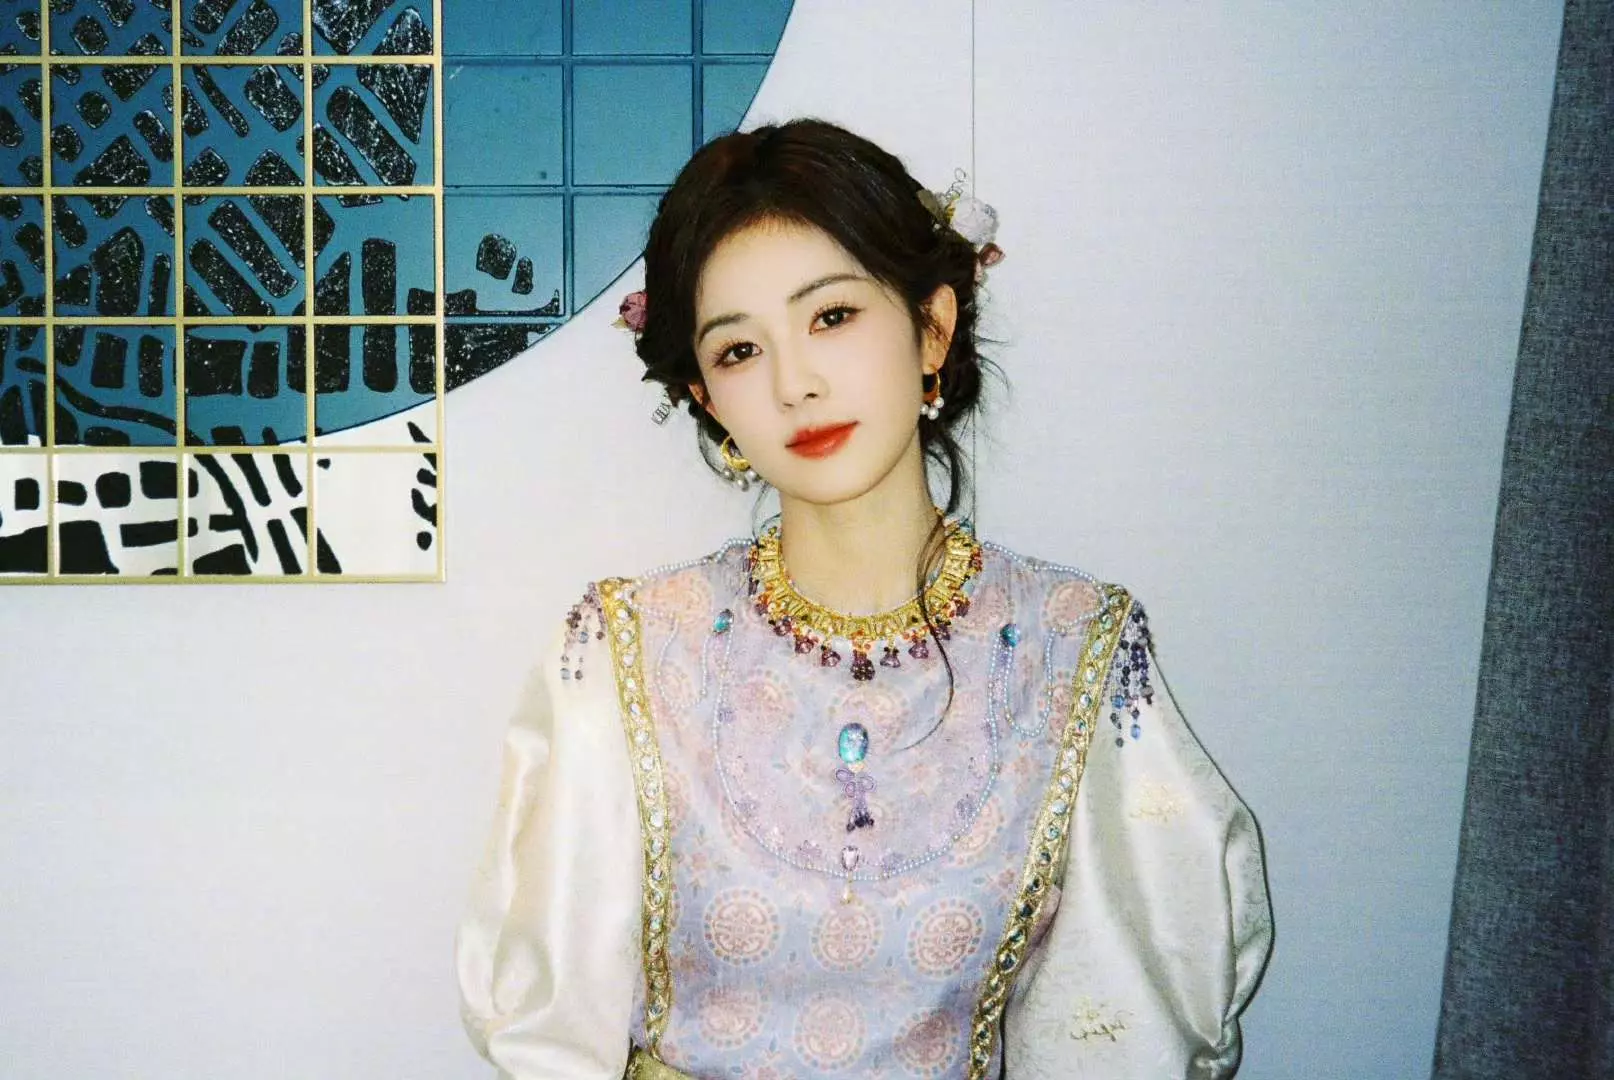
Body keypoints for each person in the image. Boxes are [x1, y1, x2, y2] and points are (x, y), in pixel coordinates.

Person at [455, 118, 1272, 1080]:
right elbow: (549, 1032)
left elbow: (1125, 1028)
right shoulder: (625, 651)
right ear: (708, 398)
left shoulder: (1076, 648)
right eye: (739, 351)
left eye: (832, 317)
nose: (795, 383)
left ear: (933, 328)